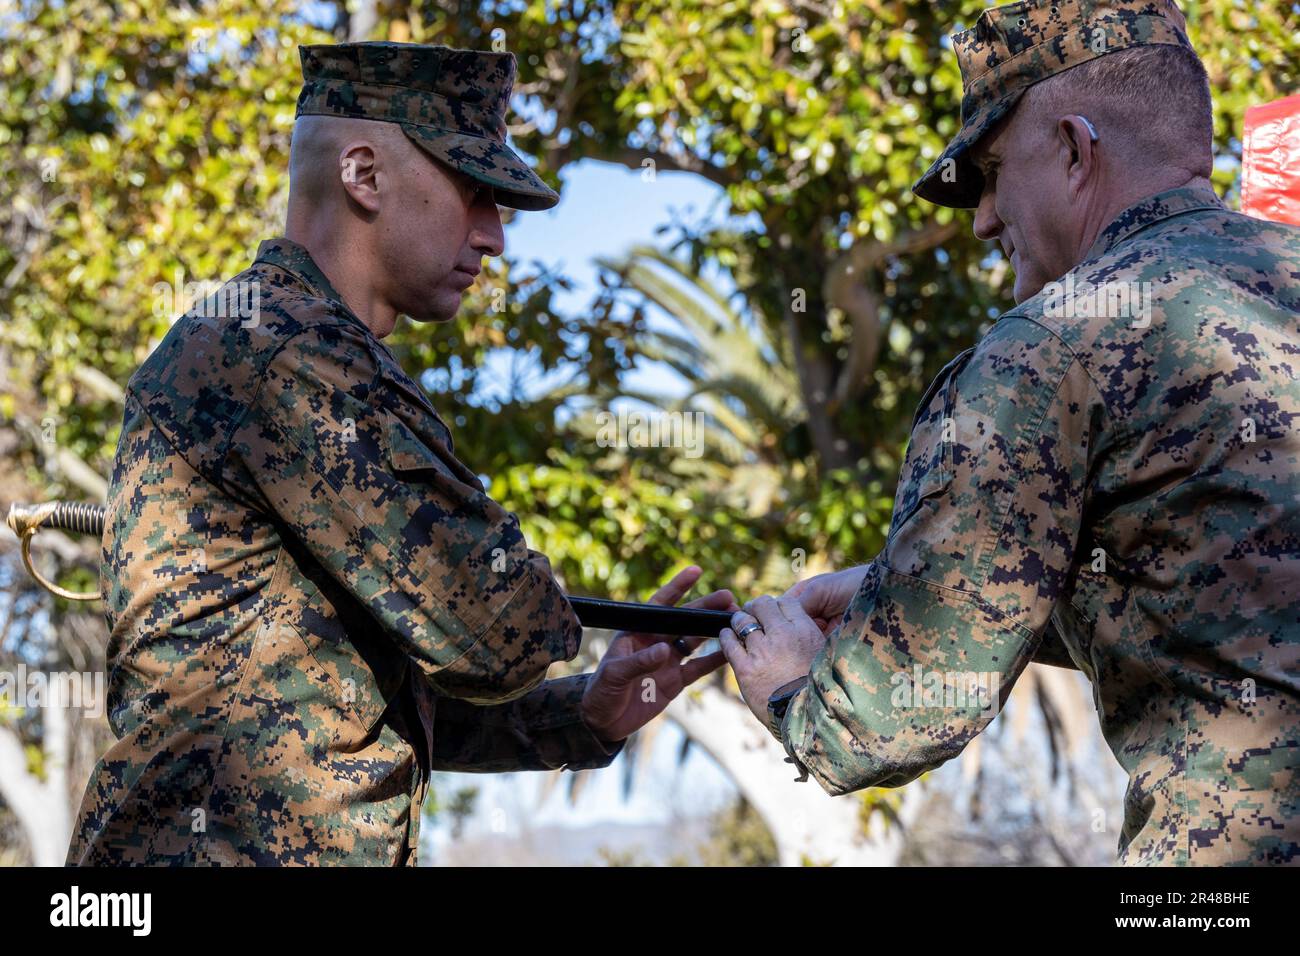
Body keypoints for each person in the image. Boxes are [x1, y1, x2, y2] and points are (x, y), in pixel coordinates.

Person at [67, 41, 727, 866]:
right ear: (364, 175)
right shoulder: (285, 354)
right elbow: (498, 632)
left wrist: (583, 715)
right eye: (474, 191)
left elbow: (343, 705)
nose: (494, 238)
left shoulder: (277, 340)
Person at [720, 0, 1300, 865]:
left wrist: (794, 686)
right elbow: (1220, 602)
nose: (984, 218)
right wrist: (897, 590)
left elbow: (882, 724)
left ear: (1073, 148)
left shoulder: (1047, 351)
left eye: (991, 172)